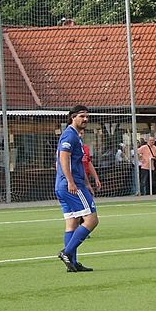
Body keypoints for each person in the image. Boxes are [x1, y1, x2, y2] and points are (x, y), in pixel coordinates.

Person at [55, 105, 96, 273]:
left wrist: (87, 181)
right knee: (92, 220)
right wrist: (71, 182)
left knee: (72, 222)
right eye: (81, 116)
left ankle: (72, 263)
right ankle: (67, 252)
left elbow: (78, 162)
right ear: (72, 117)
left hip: (65, 185)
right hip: (71, 185)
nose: (85, 119)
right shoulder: (69, 135)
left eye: (86, 116)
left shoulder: (76, 136)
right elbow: (63, 158)